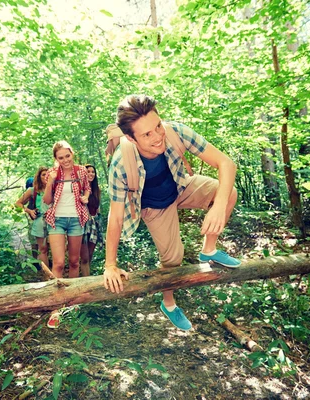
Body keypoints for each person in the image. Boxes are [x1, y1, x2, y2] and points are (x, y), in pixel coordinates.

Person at [103, 94, 241, 331]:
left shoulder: (176, 132)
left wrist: (218, 206)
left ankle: (208, 250)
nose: (158, 137)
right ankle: (168, 304)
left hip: (180, 186)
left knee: (228, 193)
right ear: (130, 138)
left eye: (157, 126)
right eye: (147, 134)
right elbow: (115, 217)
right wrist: (110, 265)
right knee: (173, 259)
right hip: (154, 207)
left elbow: (226, 163)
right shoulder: (120, 165)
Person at [42, 141, 91, 328]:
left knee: (74, 262)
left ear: (72, 153)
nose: (65, 160)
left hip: (77, 219)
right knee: (59, 263)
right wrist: (51, 181)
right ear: (56, 159)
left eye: (67, 156)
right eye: (60, 158)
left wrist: (86, 196)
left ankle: (73, 302)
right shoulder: (52, 174)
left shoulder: (81, 171)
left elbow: (87, 188)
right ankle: (55, 308)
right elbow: (46, 201)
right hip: (57, 220)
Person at [15, 168, 50, 274]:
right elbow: (18, 204)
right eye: (43, 175)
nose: (46, 177)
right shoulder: (33, 190)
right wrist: (29, 211)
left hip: (56, 222)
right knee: (43, 249)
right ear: (39, 177)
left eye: (48, 174)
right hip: (40, 221)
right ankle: (47, 275)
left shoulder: (55, 188)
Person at [80, 164, 103, 277]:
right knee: (84, 258)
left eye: (92, 172)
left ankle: (87, 278)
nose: (90, 174)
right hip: (83, 224)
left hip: (94, 224)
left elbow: (97, 208)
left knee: (89, 255)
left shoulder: (97, 190)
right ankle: (85, 280)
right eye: (88, 171)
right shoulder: (79, 188)